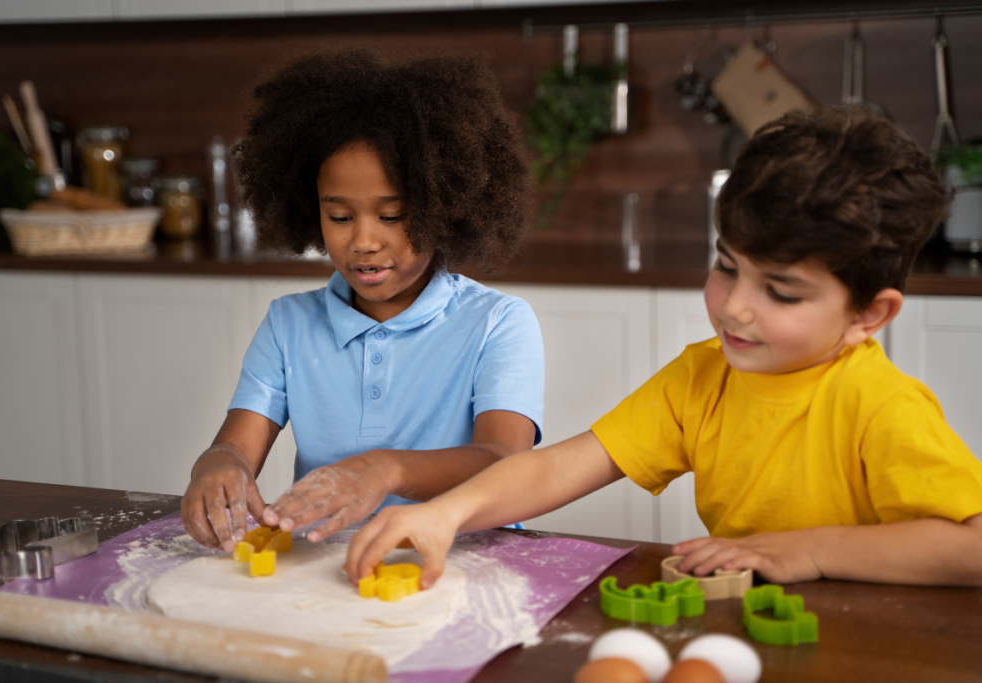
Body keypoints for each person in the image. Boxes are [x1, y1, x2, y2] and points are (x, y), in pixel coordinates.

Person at [345, 106, 982, 589]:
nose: (735, 306)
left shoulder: (881, 406)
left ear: (869, 314)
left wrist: (808, 550)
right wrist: (447, 514)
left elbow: (973, 547)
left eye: (781, 292)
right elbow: (560, 466)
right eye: (727, 266)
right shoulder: (702, 379)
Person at [182, 48, 544, 551]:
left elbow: (506, 461)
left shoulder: (497, 323)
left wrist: (387, 469)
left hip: (465, 559)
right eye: (340, 216)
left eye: (392, 215)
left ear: (445, 206)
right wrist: (219, 464)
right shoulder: (290, 323)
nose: (364, 241)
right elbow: (236, 446)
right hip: (331, 565)